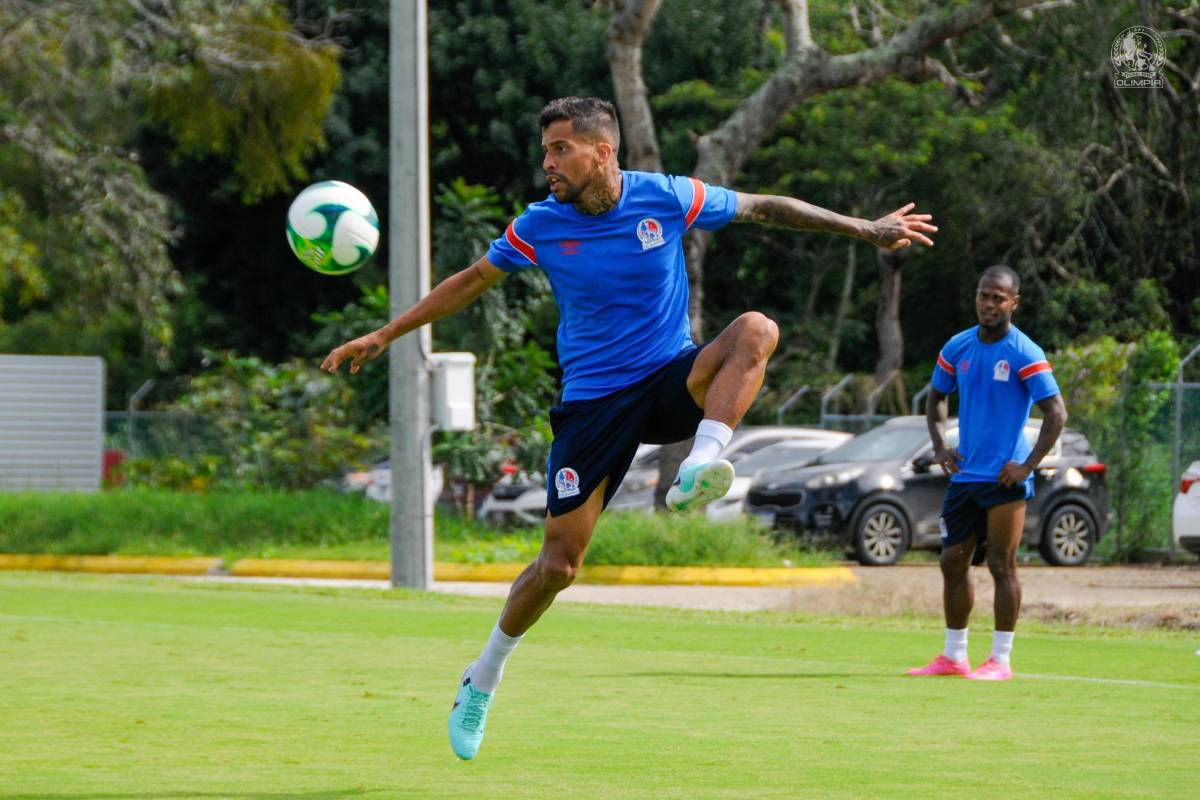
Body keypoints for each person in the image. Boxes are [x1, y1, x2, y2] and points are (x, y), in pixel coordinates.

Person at [321, 96, 937, 758]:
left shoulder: (668, 197)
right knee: (559, 565)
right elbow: (473, 281)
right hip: (593, 406)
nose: (547, 163)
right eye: (546, 151)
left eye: (560, 149)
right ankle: (483, 676)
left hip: (670, 379)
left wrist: (864, 229)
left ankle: (702, 462)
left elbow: (765, 207)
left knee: (757, 329)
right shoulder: (540, 224)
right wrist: (387, 333)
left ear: (602, 151)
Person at [907, 265, 1066, 682]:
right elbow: (937, 396)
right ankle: (954, 656)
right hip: (964, 478)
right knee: (951, 563)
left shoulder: (1024, 352)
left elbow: (1056, 412)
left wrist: (1028, 465)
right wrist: (941, 446)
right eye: (983, 296)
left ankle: (1000, 659)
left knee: (1001, 564)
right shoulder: (958, 347)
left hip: (1004, 480)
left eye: (998, 298)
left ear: (1014, 302)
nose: (989, 304)